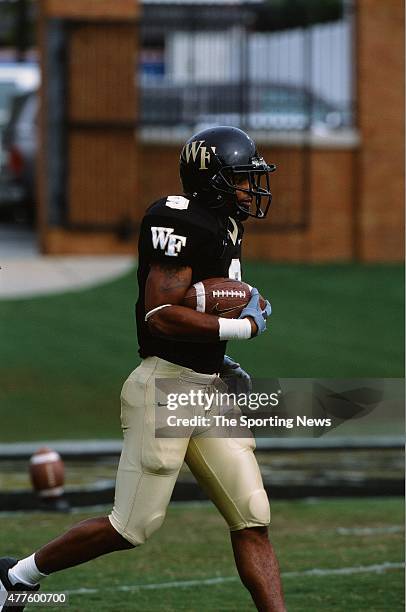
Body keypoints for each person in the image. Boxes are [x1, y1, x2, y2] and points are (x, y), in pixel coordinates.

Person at [0, 126, 285, 612]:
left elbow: (203, 304)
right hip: (165, 387)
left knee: (252, 516)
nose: (249, 188)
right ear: (212, 180)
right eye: (239, 178)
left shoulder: (225, 224)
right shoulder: (179, 222)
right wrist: (241, 332)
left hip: (205, 388)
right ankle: (16, 578)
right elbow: (161, 313)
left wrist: (221, 360)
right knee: (131, 527)